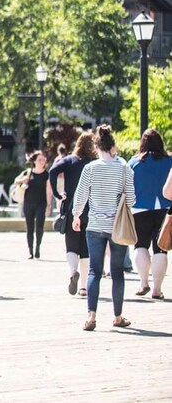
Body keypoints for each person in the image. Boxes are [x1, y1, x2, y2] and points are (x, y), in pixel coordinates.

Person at [72, 125, 135, 331]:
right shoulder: (124, 167)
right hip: (117, 227)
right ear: (113, 146)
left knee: (94, 272)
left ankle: (91, 317)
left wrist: (76, 215)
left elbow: (80, 195)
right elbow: (132, 199)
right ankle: (117, 317)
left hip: (95, 225)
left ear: (96, 147)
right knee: (117, 272)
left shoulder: (90, 168)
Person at [49, 131, 97, 296]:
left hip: (71, 207)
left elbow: (53, 171)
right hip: (91, 208)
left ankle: (72, 272)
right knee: (85, 249)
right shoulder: (94, 162)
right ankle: (83, 286)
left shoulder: (69, 160)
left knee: (71, 245)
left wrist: (57, 193)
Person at [128, 129, 172, 300]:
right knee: (161, 248)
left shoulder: (134, 163)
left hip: (140, 208)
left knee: (140, 246)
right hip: (165, 208)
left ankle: (143, 282)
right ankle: (157, 289)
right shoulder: (169, 161)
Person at [15, 151, 52, 259]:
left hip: (41, 204)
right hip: (28, 203)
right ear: (34, 161)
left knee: (39, 227)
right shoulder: (28, 172)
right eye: (39, 160)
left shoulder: (47, 175)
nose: (42, 161)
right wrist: (23, 180)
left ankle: (37, 248)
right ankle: (30, 251)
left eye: (43, 159)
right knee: (29, 228)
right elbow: (16, 181)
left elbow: (48, 191)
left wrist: (48, 206)